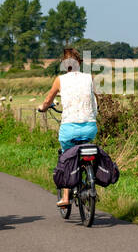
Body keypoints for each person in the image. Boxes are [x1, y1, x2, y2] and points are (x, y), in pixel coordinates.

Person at [37, 47, 98, 208]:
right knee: (86, 148)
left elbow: (49, 98)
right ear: (79, 63)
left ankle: (65, 196)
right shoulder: (89, 78)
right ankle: (89, 180)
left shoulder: (60, 80)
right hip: (90, 127)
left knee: (67, 156)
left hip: (69, 128)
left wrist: (43, 108)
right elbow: (94, 99)